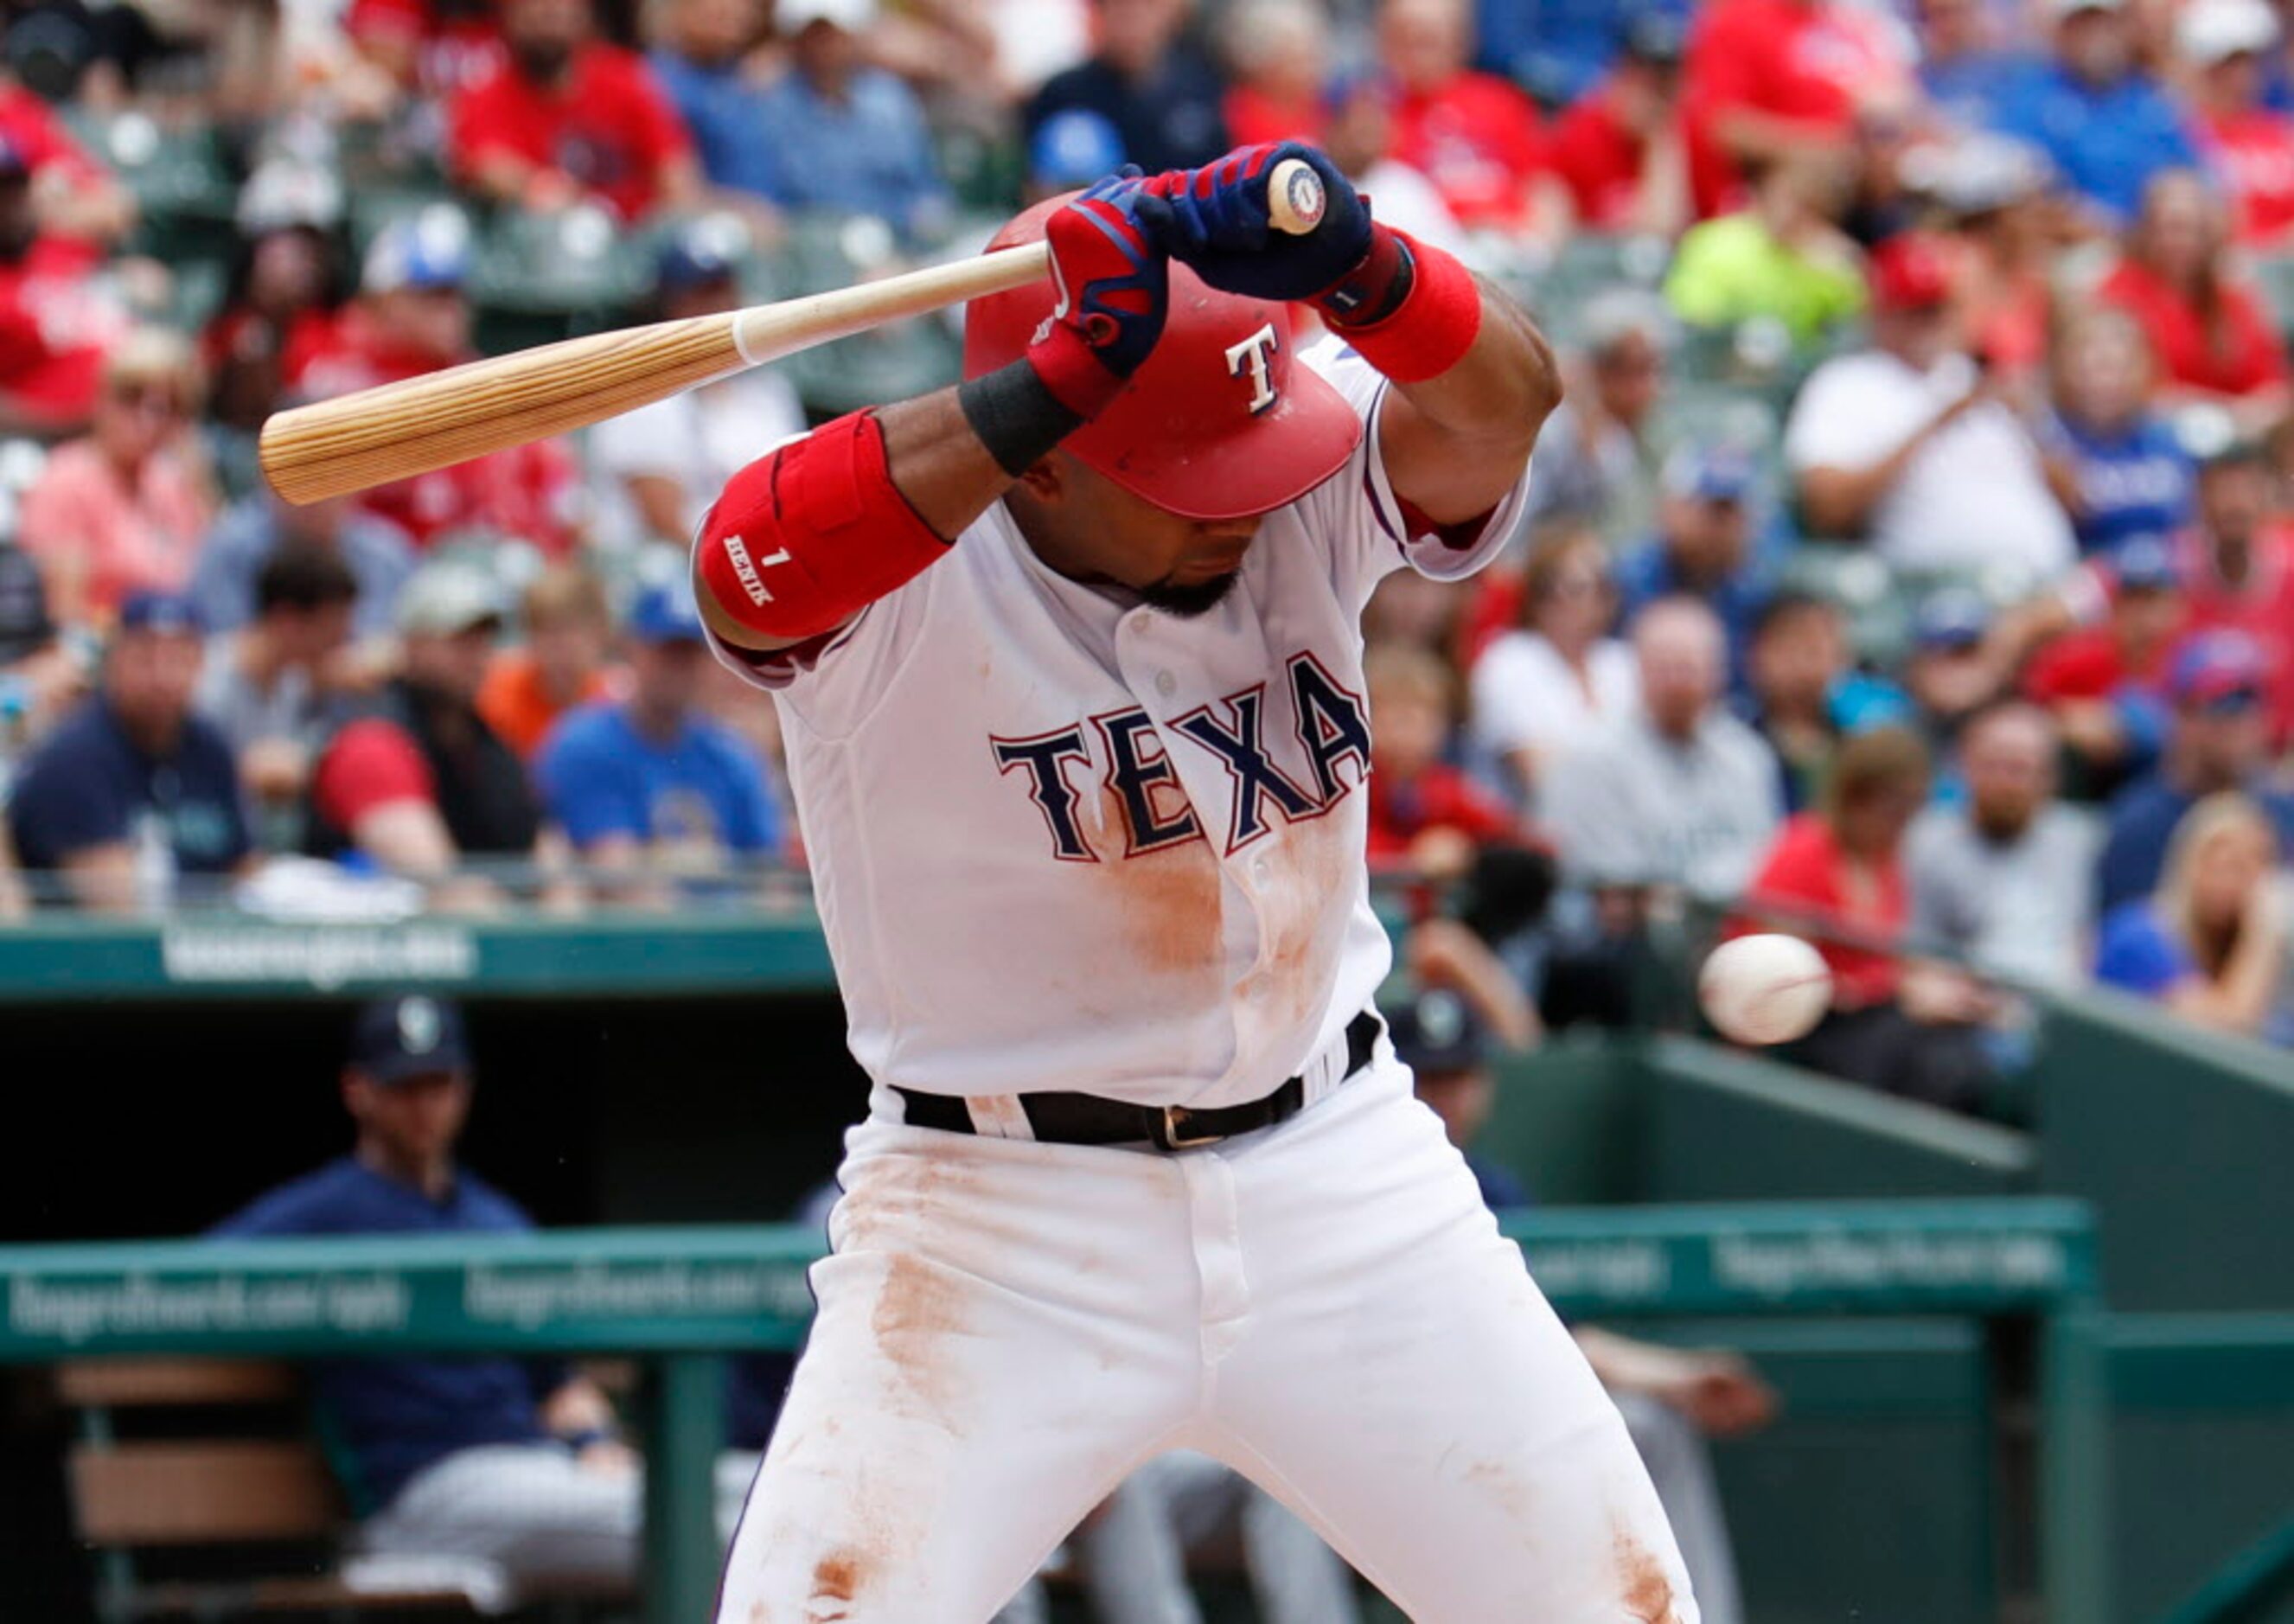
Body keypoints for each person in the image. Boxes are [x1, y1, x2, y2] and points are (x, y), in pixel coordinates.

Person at [692, 144, 1701, 1619]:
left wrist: (1361, 261)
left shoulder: (1287, 490)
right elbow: (742, 567)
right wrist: (1047, 383)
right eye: (1178, 477)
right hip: (995, 1213)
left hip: (1339, 1170)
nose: (1237, 503)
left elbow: (1504, 403)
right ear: (1037, 453)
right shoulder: (903, 576)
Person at [210, 995, 759, 1597]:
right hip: (427, 1494)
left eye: (439, 1084)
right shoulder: (320, 1214)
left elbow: (556, 1383)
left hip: (535, 1473)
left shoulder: (494, 1218)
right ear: (358, 1090)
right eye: (405, 1087)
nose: (425, 1106)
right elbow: (193, 1282)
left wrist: (596, 1444)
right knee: (701, 1525)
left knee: (774, 1487)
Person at [1385, 987, 1773, 1624]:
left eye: (1457, 1077)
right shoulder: (1370, 1190)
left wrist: (1674, 1377)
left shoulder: (1494, 1189)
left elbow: (1551, 1335)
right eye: (1427, 1078)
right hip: (1409, 1418)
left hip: (1504, 1412)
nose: (1445, 1098)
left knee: (1650, 1427)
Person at [1739, 725, 2001, 1113]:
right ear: (1856, 796)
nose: (1902, 823)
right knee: (1931, 1063)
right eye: (1893, 808)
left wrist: (1933, 987)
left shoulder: (1887, 863)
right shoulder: (1804, 851)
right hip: (1810, 1033)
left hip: (1872, 1025)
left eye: (1912, 809)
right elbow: (1775, 974)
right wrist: (1894, 993)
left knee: (1962, 1056)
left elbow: (1889, 955)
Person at [1785, 233, 2075, 580]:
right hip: (1944, 592)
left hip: (2048, 574)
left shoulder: (1968, 375)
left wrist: (2034, 424)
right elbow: (1826, 510)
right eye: (1914, 311)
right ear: (1880, 314)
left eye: (1937, 310)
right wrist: (1937, 422)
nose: (1928, 325)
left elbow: (2078, 501)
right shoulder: (1846, 383)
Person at [291, 210, 580, 555]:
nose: (450, 309)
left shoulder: (489, 379)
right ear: (384, 298)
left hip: (489, 566)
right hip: (381, 574)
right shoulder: (340, 374)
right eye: (432, 294)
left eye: (456, 294)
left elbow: (563, 498)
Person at [304, 562, 541, 899]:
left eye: (483, 641)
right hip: (379, 946)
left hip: (491, 934)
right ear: (411, 646)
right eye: (458, 642)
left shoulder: (490, 746)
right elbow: (438, 885)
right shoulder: (372, 739)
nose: (475, 657)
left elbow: (542, 857)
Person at [6, 591, 250, 911]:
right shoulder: (77, 754)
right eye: (145, 658)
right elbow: (117, 908)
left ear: (201, 664)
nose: (162, 676)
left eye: (179, 658)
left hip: (204, 945)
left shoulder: (210, 746)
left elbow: (246, 869)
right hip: (94, 954)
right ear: (113, 660)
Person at [536, 584, 781, 896]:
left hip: (733, 934)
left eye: (690, 654)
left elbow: (771, 878)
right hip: (630, 941)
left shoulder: (731, 754)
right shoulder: (586, 744)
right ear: (632, 650)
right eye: (667, 652)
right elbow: (617, 877)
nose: (679, 669)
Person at [586, 221, 808, 556]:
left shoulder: (771, 393)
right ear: (669, 305)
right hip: (673, 574)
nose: (716, 308)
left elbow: (795, 494)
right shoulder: (642, 397)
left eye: (722, 291)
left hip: (763, 560)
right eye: (700, 296)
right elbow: (664, 522)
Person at [1543, 597, 1783, 899]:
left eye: (1689, 668)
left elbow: (1765, 862)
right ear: (1638, 669)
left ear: (1718, 673)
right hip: (1620, 938)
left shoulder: (1747, 755)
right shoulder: (1591, 757)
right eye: (1664, 668)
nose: (1677, 683)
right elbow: (1611, 890)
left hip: (1731, 924)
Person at [16, 328, 215, 629]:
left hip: (172, 652)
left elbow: (206, 584)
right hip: (97, 659)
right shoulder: (65, 479)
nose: (149, 419)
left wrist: (200, 479)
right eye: (132, 397)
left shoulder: (174, 484)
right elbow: (64, 615)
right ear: (101, 398)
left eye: (170, 406)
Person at [2095, 630, 2294, 912]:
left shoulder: (2285, 812)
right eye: (2224, 705)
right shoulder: (2139, 823)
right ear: (2181, 717)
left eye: (2250, 702)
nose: (2239, 721)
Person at [448, 0, 700, 221]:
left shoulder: (625, 79)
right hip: (537, 243)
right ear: (510, 18)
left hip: (632, 243)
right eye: (533, 11)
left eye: (558, 12)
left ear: (584, 17)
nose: (546, 22)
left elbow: (675, 173)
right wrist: (542, 188)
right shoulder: (483, 91)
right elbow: (489, 168)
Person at [1907, 701, 2099, 989]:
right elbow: (1916, 954)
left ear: (2049, 779)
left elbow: (2084, 939)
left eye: (2018, 770)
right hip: (1967, 1006)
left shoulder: (2077, 840)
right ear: (1965, 767)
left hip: (2059, 1006)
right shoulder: (1927, 843)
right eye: (1991, 766)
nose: (2004, 783)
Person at [1681, 0, 1918, 218]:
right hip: (1770, 202)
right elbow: (1724, 127)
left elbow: (1898, 101)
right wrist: (1827, 147)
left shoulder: (1851, 26)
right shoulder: (1739, 21)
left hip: (1866, 190)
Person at [2097, 169, 2289, 427]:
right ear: (2145, 230)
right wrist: (2229, 413)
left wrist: (2254, 413)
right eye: (2166, 227)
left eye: (2192, 228)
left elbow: (2270, 384)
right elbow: (2132, 391)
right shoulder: (2120, 292)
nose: (2178, 240)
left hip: (2241, 434)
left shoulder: (2228, 295)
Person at [2094, 792, 2290, 1043]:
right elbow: (2226, 1031)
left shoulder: (2234, 954)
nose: (2230, 883)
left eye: (2250, 872)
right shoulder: (2138, 935)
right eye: (2225, 865)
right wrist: (2265, 933)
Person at [749, 0, 950, 243]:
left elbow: (924, 187)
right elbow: (775, 205)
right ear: (794, 41)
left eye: (835, 35)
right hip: (816, 252)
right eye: (814, 35)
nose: (825, 46)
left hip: (905, 245)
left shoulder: (889, 98)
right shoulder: (770, 107)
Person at [1469, 526, 1639, 810]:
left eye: (1605, 586)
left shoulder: (1622, 662)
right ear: (1541, 596)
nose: (1599, 601)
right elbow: (1539, 776)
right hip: (1539, 827)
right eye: (1581, 587)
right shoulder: (1510, 662)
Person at [1989, 0, 2198, 228]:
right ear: (2061, 32)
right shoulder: (2032, 96)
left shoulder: (2148, 96)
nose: (2096, 37)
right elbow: (2008, 176)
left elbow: (2194, 170)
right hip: (2066, 242)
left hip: (2148, 241)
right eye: (2082, 26)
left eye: (2105, 25)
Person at [195, 542, 361, 816]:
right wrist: (244, 771)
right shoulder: (208, 685)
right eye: (331, 632)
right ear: (287, 621)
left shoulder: (293, 682)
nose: (340, 646)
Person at [1376, 0, 1559, 237]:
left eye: (1429, 39)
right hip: (1432, 250)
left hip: (1511, 245)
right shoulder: (1377, 115)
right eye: (1406, 39)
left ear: (1459, 40)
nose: (1417, 52)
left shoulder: (1501, 100)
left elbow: (1543, 188)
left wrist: (1538, 241)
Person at [2021, 534, 2184, 796]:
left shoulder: (2187, 659)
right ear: (2113, 608)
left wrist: (2121, 722)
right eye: (2131, 601)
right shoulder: (2075, 657)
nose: (2142, 616)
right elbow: (2026, 717)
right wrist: (2062, 722)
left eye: (2153, 600)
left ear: (2176, 607)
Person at [1663, 150, 1867, 348]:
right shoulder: (1717, 242)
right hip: (1720, 364)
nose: (1793, 215)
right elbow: (1695, 318)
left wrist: (1846, 266)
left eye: (1810, 208)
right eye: (1789, 199)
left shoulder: (1828, 264)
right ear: (1768, 193)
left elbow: (1852, 320)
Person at [0, 131, 129, 438]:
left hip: (136, 425)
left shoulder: (59, 246)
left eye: (16, 188)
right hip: (44, 447)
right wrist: (84, 423)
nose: (11, 203)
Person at [2037, 307, 2195, 556]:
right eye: (2090, 367)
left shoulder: (2171, 438)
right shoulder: (2046, 442)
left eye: (2118, 367)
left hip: (2167, 580)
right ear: (2062, 369)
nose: (2105, 382)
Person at [1614, 442, 1769, 695]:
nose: (1721, 527)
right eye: (1711, 510)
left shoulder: (1754, 594)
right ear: (1671, 509)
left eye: (1733, 513)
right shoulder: (1625, 582)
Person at [1519, 288, 1671, 541]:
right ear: (1601, 372)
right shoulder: (1554, 430)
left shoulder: (1631, 439)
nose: (1652, 388)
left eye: (1655, 371)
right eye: (1639, 371)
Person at [2169, 441, 2294, 743]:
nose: (2234, 504)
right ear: (2198, 499)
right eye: (2221, 490)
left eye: (2246, 489)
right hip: (2189, 758)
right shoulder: (2164, 571)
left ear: (2268, 496)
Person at [1024, 0, 1230, 177]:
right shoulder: (1063, 94)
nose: (1133, 19)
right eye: (1121, 7)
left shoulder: (1204, 88)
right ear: (1100, 15)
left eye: (1146, 5)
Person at [190, 490, 417, 643]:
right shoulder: (231, 546)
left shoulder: (387, 551)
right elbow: (221, 648)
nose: (316, 498)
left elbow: (410, 644)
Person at [1548, 10, 1691, 238]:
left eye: (1664, 83)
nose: (1653, 95)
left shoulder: (1682, 133)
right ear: (1619, 73)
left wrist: (1660, 142)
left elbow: (1664, 230)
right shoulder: (1580, 131)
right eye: (1644, 79)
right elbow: (1553, 231)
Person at [476, 564, 618, 763]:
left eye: (573, 632)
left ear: (601, 634)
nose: (561, 649)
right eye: (548, 633)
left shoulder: (615, 706)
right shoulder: (493, 695)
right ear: (530, 638)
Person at [2180, 0, 2294, 245]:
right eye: (2229, 64)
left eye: (2249, 61)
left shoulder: (2282, 129)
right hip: (2232, 262)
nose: (2241, 74)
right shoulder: (2190, 133)